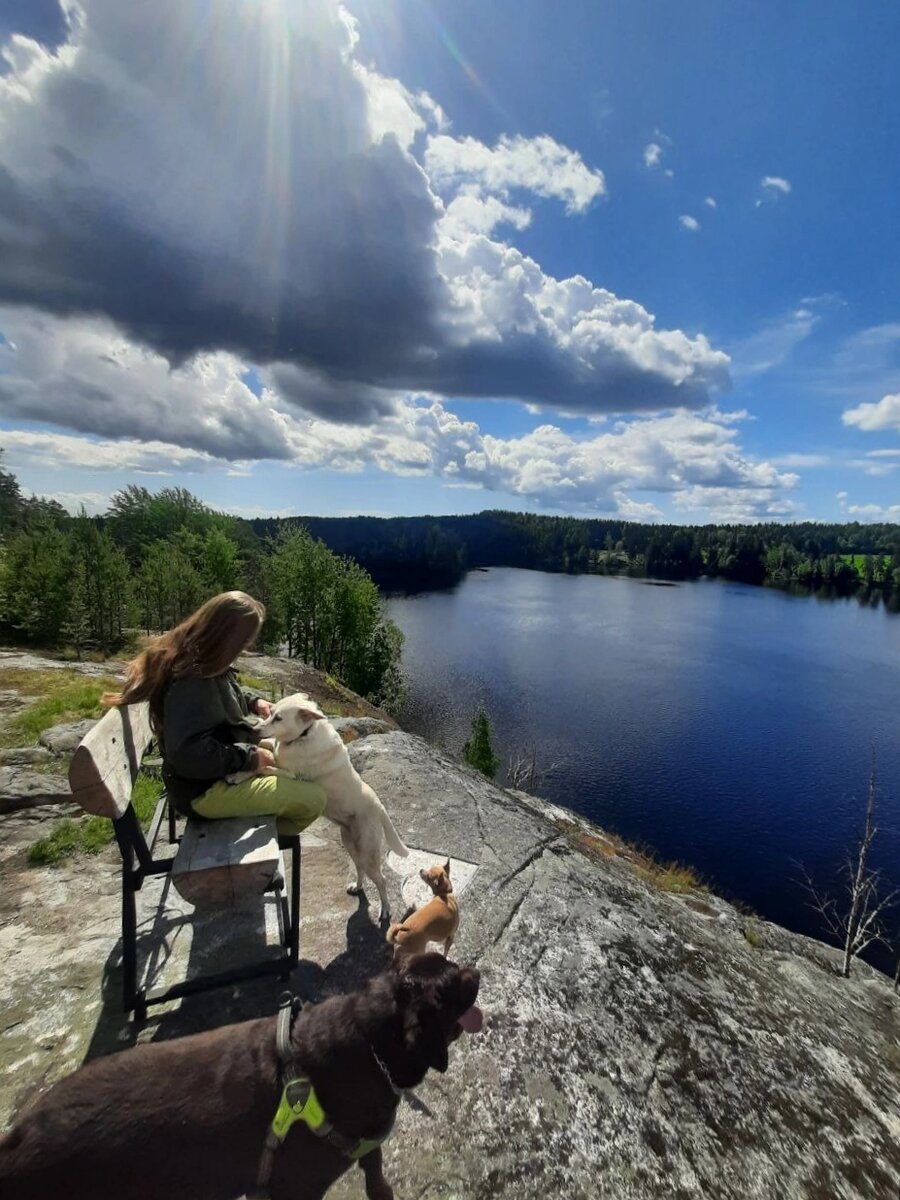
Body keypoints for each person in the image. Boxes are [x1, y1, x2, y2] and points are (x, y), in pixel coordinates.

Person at [104, 591, 326, 835]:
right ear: (228, 639)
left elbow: (218, 699)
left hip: (206, 778)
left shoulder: (202, 662)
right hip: (203, 792)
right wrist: (250, 759)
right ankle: (257, 840)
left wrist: (254, 702)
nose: (246, 647)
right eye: (244, 642)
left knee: (285, 755)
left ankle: (258, 826)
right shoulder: (192, 681)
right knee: (314, 799)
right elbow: (187, 755)